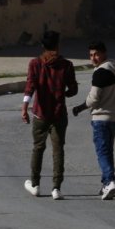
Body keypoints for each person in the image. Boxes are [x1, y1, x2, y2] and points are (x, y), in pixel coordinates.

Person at [21, 30, 77, 201]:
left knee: (38, 148)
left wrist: (24, 108)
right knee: (58, 150)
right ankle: (56, 188)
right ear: (57, 45)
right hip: (59, 114)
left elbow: (30, 87)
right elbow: (73, 89)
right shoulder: (66, 65)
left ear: (42, 46)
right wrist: (64, 94)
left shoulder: (35, 64)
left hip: (40, 113)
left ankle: (35, 184)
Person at [72, 41, 115, 200]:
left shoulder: (100, 73)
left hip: (101, 118)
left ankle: (110, 182)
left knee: (102, 152)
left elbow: (93, 99)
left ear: (104, 53)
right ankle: (105, 184)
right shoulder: (114, 70)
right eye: (90, 55)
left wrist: (80, 107)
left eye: (96, 54)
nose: (93, 58)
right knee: (108, 151)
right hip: (114, 118)